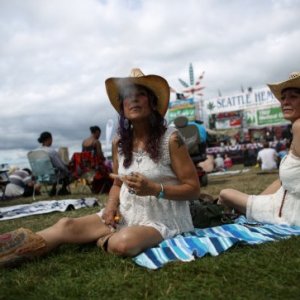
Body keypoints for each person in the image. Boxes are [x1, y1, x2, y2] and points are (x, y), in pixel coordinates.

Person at [0, 68, 200, 267]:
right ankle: (14, 250)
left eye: (141, 94)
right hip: (126, 213)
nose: (134, 99)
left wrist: (155, 189)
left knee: (123, 243)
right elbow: (117, 183)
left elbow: (193, 189)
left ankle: (101, 237)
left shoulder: (171, 139)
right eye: (128, 96)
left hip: (163, 219)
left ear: (153, 102)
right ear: (122, 107)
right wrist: (111, 206)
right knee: (65, 225)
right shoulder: (120, 143)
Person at [218, 71, 300, 226]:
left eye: (293, 96)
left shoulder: (298, 126)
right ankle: (245, 211)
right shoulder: (295, 129)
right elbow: (283, 181)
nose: (285, 102)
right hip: (281, 205)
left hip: (289, 214)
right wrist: (257, 202)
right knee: (238, 199)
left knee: (224, 194)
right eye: (283, 98)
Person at [36, 131, 71, 195]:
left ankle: (54, 189)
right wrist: (67, 169)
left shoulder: (36, 151)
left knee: (55, 170)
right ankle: (63, 189)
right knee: (66, 171)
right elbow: (60, 166)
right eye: (51, 139)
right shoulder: (51, 151)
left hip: (41, 177)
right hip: (52, 176)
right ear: (49, 139)